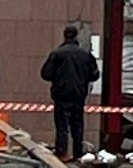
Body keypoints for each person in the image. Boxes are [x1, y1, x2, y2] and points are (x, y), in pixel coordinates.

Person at [40, 26, 99, 160]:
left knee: (62, 125)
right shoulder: (85, 55)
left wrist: (58, 78)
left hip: (61, 94)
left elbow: (45, 74)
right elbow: (94, 75)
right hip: (79, 94)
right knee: (77, 124)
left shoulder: (57, 54)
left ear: (65, 36)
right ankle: (78, 153)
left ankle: (62, 152)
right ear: (76, 36)